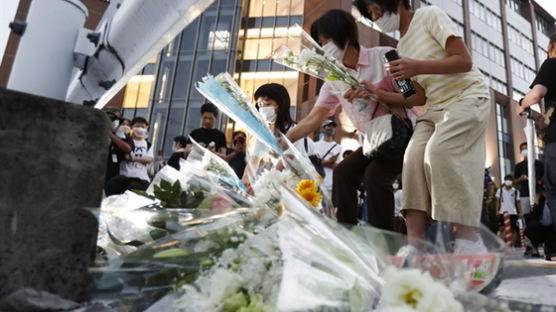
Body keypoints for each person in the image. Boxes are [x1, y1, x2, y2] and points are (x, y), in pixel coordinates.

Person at [355, 0, 491, 252]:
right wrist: (376, 93)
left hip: (467, 96)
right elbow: (418, 97)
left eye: (377, 10)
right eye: (371, 15)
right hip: (437, 107)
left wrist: (416, 66)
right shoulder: (401, 47)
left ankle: (469, 239)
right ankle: (415, 246)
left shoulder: (429, 16)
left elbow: (464, 60)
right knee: (412, 160)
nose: (376, 17)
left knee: (438, 152)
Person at [285, 9, 417, 230]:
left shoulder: (386, 55)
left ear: (345, 36)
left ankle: (385, 242)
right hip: (373, 141)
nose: (323, 46)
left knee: (375, 177)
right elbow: (316, 116)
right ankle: (347, 233)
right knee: (343, 173)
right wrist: (286, 138)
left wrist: (377, 93)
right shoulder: (334, 78)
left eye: (326, 40)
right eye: (320, 41)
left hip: (401, 135)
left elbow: (411, 96)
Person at [516, 31, 556, 233]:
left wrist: (522, 104)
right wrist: (538, 118)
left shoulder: (551, 64)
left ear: (552, 47)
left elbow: (537, 93)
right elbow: (548, 117)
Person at [105, 117, 154, 195]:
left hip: (142, 179)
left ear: (146, 128)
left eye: (143, 127)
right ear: (132, 127)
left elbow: (149, 159)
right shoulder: (127, 140)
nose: (140, 129)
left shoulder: (148, 145)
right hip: (125, 177)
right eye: (137, 126)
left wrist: (132, 158)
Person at [524, 185, 556, 261]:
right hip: (542, 228)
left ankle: (549, 250)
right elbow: (533, 216)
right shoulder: (541, 201)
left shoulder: (553, 200)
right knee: (532, 226)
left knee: (552, 253)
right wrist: (536, 203)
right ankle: (535, 248)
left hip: (552, 229)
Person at [103, 107, 132, 185]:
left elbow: (128, 149)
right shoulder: (97, 133)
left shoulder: (123, 136)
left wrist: (110, 135)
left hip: (113, 176)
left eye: (115, 119)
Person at [514, 142, 544, 216]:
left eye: (526, 149)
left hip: (537, 194)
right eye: (523, 149)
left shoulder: (539, 164)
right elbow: (515, 181)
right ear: (520, 152)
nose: (525, 151)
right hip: (524, 194)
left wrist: (539, 181)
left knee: (539, 215)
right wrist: (520, 179)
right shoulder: (518, 166)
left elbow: (544, 176)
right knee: (526, 216)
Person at [314, 120, 342, 195]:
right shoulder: (315, 145)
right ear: (323, 129)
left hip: (331, 185)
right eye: (328, 126)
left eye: (333, 127)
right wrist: (329, 162)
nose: (331, 128)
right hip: (317, 183)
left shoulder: (338, 147)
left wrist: (322, 162)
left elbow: (338, 166)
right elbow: (314, 162)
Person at [495, 175, 522, 246]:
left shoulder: (516, 191)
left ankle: (511, 246)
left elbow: (518, 202)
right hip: (502, 212)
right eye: (507, 180)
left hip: (512, 212)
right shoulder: (500, 191)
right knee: (502, 229)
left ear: (512, 182)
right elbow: (498, 201)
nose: (508, 181)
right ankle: (502, 246)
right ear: (504, 181)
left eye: (509, 180)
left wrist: (520, 212)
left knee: (513, 230)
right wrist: (497, 211)